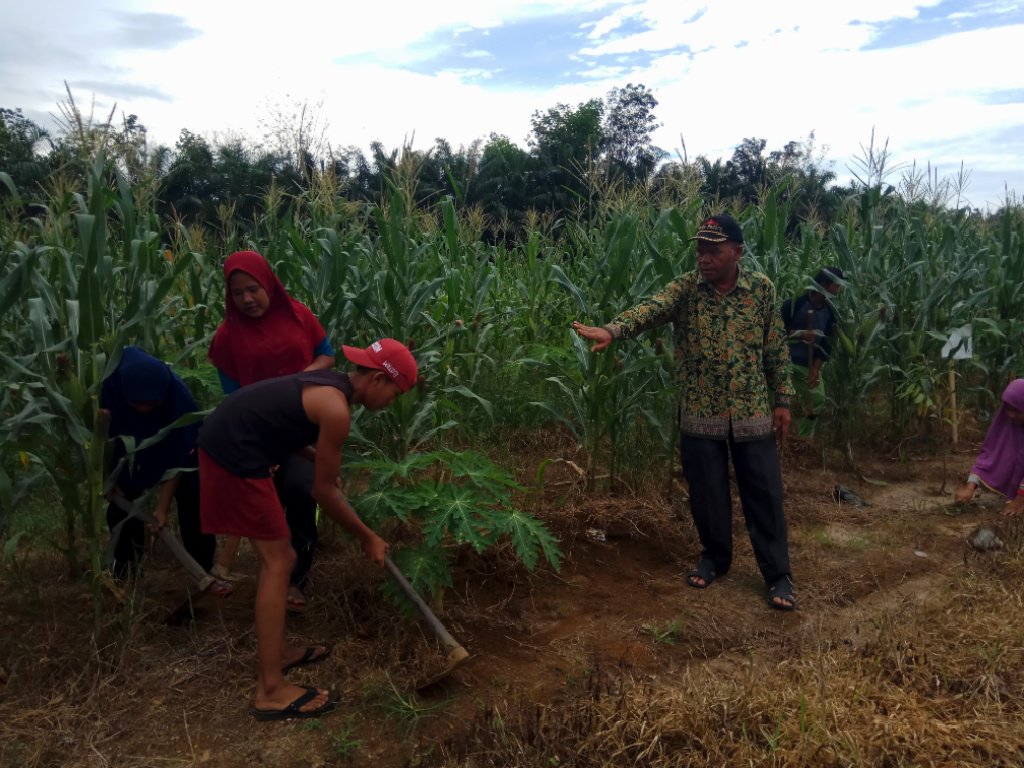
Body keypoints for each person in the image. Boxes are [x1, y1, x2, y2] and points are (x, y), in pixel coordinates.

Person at [572, 213, 798, 610]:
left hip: (752, 413)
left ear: (737, 252)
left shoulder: (760, 290)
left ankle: (778, 575)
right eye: (700, 250)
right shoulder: (686, 289)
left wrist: (783, 400)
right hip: (700, 413)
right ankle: (715, 557)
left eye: (713, 250)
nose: (704, 258)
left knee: (764, 494)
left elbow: (776, 347)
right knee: (707, 494)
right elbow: (652, 309)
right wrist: (614, 330)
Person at [197, 338, 417, 720]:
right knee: (279, 560)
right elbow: (323, 491)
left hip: (233, 436)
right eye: (395, 394)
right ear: (379, 379)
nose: (390, 404)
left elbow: (282, 421)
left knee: (280, 558)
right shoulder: (336, 409)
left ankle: (276, 653)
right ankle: (270, 689)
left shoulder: (329, 382)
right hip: (233, 451)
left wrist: (317, 459)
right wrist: (368, 537)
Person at [208, 250, 335, 609]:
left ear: (269, 283)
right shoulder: (227, 338)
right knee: (264, 497)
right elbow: (234, 399)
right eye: (237, 293)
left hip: (303, 427)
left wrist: (295, 384)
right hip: (258, 437)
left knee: (300, 489)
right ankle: (272, 571)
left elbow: (326, 356)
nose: (247, 299)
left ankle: (297, 581)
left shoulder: (298, 315)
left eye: (254, 289)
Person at [101, 346, 215, 578]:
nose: (145, 409)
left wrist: (162, 509)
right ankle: (126, 572)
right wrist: (108, 477)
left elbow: (179, 457)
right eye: (138, 404)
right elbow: (100, 441)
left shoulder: (179, 399)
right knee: (120, 511)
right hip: (127, 457)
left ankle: (203, 569)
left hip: (174, 454)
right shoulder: (107, 388)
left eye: (153, 405)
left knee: (195, 497)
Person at [781, 267, 844, 438]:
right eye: (836, 286)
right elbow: (775, 331)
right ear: (824, 284)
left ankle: (803, 440)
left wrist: (816, 369)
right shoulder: (795, 304)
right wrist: (800, 334)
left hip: (807, 365)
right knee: (774, 401)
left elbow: (826, 344)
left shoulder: (830, 313)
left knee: (816, 400)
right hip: (784, 362)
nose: (839, 290)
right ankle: (775, 440)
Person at [955, 379, 1024, 516]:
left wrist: (1020, 500)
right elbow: (988, 455)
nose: (1010, 414)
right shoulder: (1005, 422)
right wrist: (969, 488)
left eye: (1016, 410)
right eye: (1008, 409)